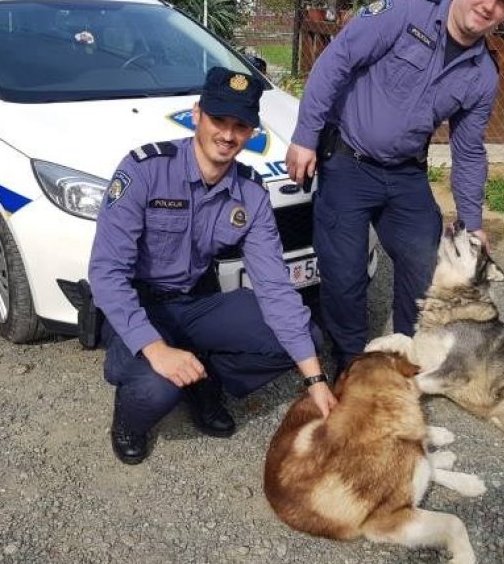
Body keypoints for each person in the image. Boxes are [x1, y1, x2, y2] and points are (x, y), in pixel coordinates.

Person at [90, 66, 337, 465]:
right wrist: (156, 350)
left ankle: (202, 380)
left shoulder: (250, 193)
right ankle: (129, 419)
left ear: (251, 132)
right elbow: (105, 273)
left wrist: (315, 380)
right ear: (196, 114)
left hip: (197, 301)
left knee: (304, 336)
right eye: (218, 120)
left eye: (240, 125)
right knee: (157, 386)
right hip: (140, 305)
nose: (227, 134)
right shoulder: (144, 170)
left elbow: (274, 286)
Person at [286, 0, 504, 373]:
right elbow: (337, 60)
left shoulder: (483, 73)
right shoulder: (402, 12)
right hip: (348, 161)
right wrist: (305, 135)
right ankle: (351, 364)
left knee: (422, 264)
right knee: (344, 275)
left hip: (405, 175)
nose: (490, 5)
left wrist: (472, 222)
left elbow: (467, 149)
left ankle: (408, 357)